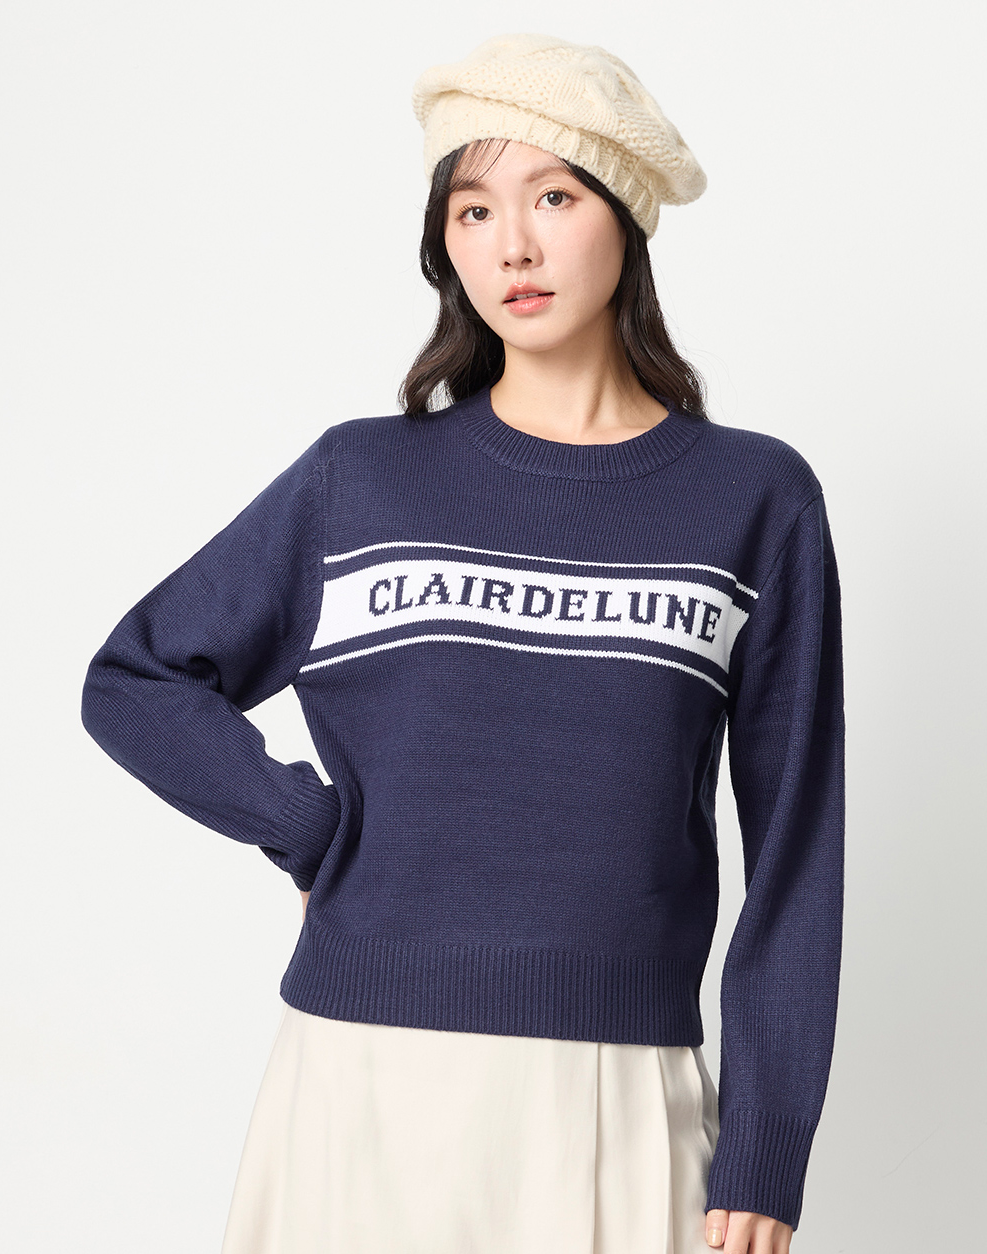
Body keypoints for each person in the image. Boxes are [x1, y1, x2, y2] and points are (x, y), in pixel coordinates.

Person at [81, 31, 845, 1254]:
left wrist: (765, 1144)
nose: (513, 246)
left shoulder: (751, 500)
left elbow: (798, 846)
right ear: (446, 243)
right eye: (473, 209)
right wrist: (304, 825)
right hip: (359, 1084)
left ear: (625, 216)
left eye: (554, 197)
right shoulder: (361, 481)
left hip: (617, 1095)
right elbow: (136, 677)